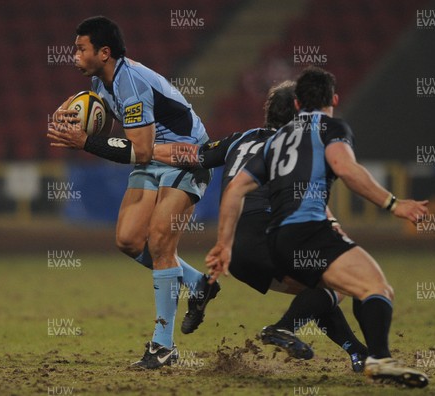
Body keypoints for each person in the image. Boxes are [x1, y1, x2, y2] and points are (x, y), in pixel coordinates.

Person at [205, 66, 430, 388]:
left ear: (297, 104)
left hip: (277, 240)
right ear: (334, 99)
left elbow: (235, 190)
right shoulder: (330, 127)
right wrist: (394, 204)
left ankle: (357, 352)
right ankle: (378, 359)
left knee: (339, 289)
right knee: (376, 288)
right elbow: (346, 169)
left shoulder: (277, 139)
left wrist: (224, 244)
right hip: (309, 230)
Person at [153, 81, 368, 371]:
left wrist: (140, 149)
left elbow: (192, 155)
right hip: (268, 237)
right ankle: (283, 329)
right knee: (335, 285)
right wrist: (337, 233)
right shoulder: (295, 148)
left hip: (236, 254)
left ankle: (357, 353)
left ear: (268, 111)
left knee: (313, 292)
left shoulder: (239, 140)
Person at [47, 16, 219, 369]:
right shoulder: (103, 79)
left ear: (104, 52)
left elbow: (139, 150)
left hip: (185, 156)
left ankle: (163, 347)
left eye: (81, 48)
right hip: (153, 154)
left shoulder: (131, 82)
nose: (74, 54)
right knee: (128, 240)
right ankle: (199, 284)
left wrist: (86, 142)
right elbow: (118, 124)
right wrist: (77, 115)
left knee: (159, 243)